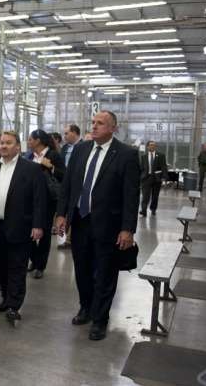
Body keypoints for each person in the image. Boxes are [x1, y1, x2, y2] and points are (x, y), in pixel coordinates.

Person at [55, 110, 140, 341]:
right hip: (81, 221)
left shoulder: (126, 154)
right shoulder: (81, 149)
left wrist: (127, 229)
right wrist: (61, 214)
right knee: (81, 269)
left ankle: (100, 319)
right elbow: (68, 185)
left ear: (113, 128)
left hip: (109, 225)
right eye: (92, 122)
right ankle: (86, 307)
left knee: (105, 272)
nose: (94, 126)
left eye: (100, 123)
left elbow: (131, 195)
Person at [0, 131, 46, 323]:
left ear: (18, 147)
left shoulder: (31, 169)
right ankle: (6, 298)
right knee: (1, 266)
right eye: (1, 143)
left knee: (17, 267)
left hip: (21, 226)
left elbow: (39, 199)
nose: (3, 146)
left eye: (8, 143)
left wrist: (38, 225)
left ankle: (14, 305)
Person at [26, 129, 65, 279]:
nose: (28, 142)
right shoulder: (29, 156)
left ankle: (40, 266)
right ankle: (34, 260)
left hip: (48, 200)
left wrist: (51, 167)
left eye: (30, 139)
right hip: (30, 199)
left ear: (38, 140)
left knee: (44, 232)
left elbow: (64, 176)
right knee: (27, 230)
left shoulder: (53, 155)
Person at [59, 124, 82, 248]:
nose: (65, 136)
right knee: (66, 211)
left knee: (74, 211)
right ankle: (66, 237)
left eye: (67, 133)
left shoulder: (84, 147)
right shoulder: (64, 148)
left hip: (78, 186)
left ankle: (70, 239)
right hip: (65, 183)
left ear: (75, 133)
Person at [140, 140, 168, 216]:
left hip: (157, 178)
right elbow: (141, 168)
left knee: (155, 196)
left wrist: (164, 177)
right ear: (147, 146)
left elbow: (164, 166)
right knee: (145, 196)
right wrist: (141, 177)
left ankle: (153, 209)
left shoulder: (161, 155)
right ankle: (143, 210)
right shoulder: (143, 157)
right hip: (146, 178)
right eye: (151, 145)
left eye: (154, 145)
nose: (153, 146)